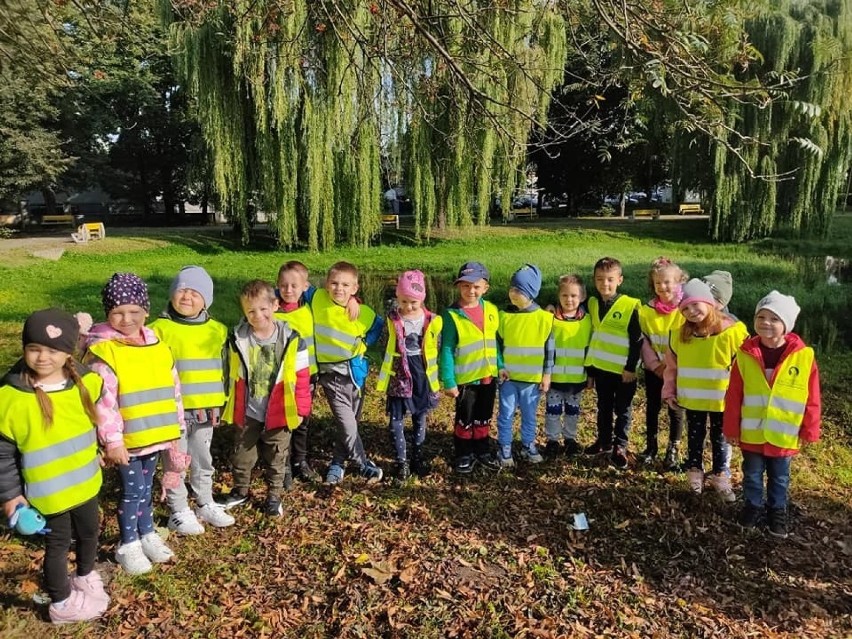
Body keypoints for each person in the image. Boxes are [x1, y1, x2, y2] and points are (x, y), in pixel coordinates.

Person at [0, 309, 110, 623]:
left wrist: (99, 449)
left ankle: (86, 575)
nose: (43, 357)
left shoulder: (85, 382)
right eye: (34, 348)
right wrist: (10, 497)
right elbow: (3, 457)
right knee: (58, 544)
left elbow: (89, 424)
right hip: (50, 494)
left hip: (87, 482)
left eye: (53, 350)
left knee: (90, 533)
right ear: (23, 349)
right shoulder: (9, 400)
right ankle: (62, 602)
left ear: (68, 353)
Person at [82, 273, 183, 575]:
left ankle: (147, 532)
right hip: (126, 440)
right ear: (107, 313)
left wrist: (176, 427)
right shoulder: (105, 352)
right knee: (132, 489)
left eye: (134, 312)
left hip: (153, 433)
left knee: (146, 487)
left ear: (146, 312)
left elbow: (173, 388)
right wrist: (113, 441)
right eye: (118, 312)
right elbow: (104, 403)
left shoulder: (157, 346)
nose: (126, 319)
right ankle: (128, 543)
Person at [724, 291, 821, 538]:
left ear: (786, 326)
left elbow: (812, 397)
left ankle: (777, 510)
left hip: (783, 433)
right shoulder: (745, 354)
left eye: (774, 319)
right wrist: (731, 429)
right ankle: (753, 506)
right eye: (761, 317)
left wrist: (809, 429)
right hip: (753, 432)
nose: (766, 323)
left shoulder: (804, 356)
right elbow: (734, 394)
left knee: (780, 478)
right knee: (753, 474)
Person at [149, 266, 235, 535]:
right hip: (173, 410)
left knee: (202, 456)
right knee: (175, 460)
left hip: (206, 408)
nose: (187, 296)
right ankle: (178, 509)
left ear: (206, 300)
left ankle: (204, 501)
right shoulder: (157, 330)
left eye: (195, 292)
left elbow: (227, 367)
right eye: (182, 289)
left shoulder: (219, 331)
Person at [219, 280, 312, 515]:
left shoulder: (292, 339)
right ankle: (240, 490)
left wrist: (301, 410)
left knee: (277, 455)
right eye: (251, 310)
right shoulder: (237, 339)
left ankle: (274, 495)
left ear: (275, 306)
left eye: (263, 309)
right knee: (242, 453)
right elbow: (227, 373)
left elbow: (302, 377)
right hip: (248, 410)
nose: (257, 315)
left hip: (280, 409)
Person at [662, 279, 748, 502]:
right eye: (685, 308)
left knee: (721, 438)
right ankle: (695, 475)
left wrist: (743, 398)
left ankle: (720, 476)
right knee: (695, 437)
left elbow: (745, 368)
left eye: (695, 305)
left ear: (710, 303)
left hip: (722, 400)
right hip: (692, 400)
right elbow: (672, 368)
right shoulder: (679, 335)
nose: (691, 311)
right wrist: (669, 391)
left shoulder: (731, 333)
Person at [311, 262, 384, 485]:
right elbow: (291, 285)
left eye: (345, 285)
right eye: (334, 283)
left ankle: (336, 464)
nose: (338, 289)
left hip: (357, 376)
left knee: (351, 422)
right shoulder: (316, 298)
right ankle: (362, 464)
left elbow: (378, 325)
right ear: (326, 284)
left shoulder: (363, 312)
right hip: (332, 376)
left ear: (355, 288)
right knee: (347, 423)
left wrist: (365, 343)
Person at [376, 270, 442, 480]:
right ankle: (401, 461)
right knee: (396, 419)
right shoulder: (392, 319)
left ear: (422, 299)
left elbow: (436, 345)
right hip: (399, 375)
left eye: (413, 302)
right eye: (403, 301)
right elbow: (383, 342)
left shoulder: (432, 320)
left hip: (421, 374)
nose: (408, 306)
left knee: (420, 417)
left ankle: (418, 457)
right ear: (397, 297)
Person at [440, 261, 502, 474]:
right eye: (465, 286)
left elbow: (495, 343)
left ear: (485, 287)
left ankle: (482, 449)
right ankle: (463, 453)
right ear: (459, 287)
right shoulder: (452, 315)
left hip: (488, 377)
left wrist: (500, 366)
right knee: (465, 418)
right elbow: (446, 349)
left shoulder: (492, 310)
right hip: (466, 380)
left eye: (476, 286)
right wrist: (448, 380)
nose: (471, 291)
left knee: (484, 416)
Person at [583, 257, 642, 469]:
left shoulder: (629, 306)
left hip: (623, 372)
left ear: (620, 280)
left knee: (623, 409)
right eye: (599, 279)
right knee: (604, 407)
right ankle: (604, 441)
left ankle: (621, 445)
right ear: (594, 280)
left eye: (609, 279)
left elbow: (637, 340)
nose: (604, 284)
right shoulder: (591, 303)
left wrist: (630, 368)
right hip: (601, 369)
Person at [496, 264, 554, 467]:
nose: (512, 293)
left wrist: (547, 375)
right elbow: (498, 346)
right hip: (508, 378)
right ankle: (504, 447)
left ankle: (528, 444)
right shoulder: (504, 317)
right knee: (506, 414)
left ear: (530, 293)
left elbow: (550, 351)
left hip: (531, 381)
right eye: (512, 288)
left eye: (518, 290)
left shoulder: (545, 319)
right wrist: (499, 366)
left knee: (529, 416)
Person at [637, 257, 688, 469]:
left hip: (678, 372)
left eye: (668, 282)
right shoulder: (646, 311)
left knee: (676, 410)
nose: (663, 287)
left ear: (679, 282)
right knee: (653, 407)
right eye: (658, 283)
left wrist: (672, 367)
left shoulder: (686, 310)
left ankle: (672, 451)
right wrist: (655, 365)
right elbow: (643, 339)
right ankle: (651, 447)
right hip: (655, 370)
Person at [544, 274, 592, 457]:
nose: (569, 300)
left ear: (582, 297)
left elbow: (589, 348)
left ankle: (570, 439)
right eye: (565, 296)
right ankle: (553, 440)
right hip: (555, 378)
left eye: (574, 296)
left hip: (577, 379)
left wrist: (590, 376)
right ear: (558, 296)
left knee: (573, 412)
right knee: (552, 412)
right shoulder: (550, 319)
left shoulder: (587, 321)